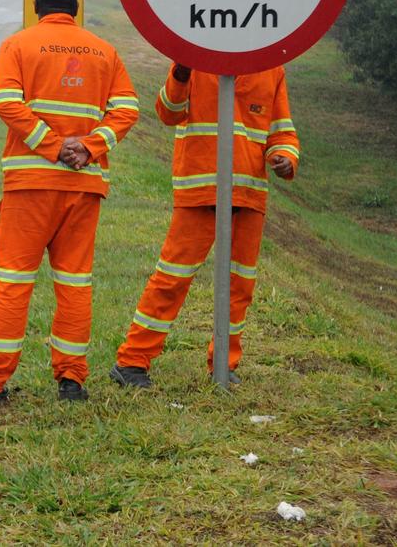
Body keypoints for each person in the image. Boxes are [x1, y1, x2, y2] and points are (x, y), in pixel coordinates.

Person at [0, 0, 139, 404]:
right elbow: (128, 109)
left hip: (29, 185)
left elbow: (7, 102)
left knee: (13, 283)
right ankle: (71, 381)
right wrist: (90, 145)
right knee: (74, 284)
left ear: (36, 6)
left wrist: (50, 145)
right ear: (76, 9)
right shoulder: (105, 51)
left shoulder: (18, 45)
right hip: (83, 188)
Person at [110, 62, 299, 388]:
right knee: (171, 279)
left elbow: (281, 131)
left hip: (248, 194)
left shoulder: (271, 67)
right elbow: (168, 112)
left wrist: (285, 157)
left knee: (239, 286)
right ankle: (131, 361)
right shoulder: (193, 59)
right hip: (200, 190)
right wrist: (181, 71)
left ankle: (224, 365)